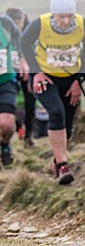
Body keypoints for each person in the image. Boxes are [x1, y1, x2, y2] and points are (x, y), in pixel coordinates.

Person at [21, 0, 85, 184]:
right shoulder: (40, 24)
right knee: (56, 112)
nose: (66, 21)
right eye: (61, 17)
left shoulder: (83, 25)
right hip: (45, 78)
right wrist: (36, 72)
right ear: (53, 14)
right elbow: (24, 43)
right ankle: (63, 166)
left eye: (69, 16)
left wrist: (79, 81)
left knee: (67, 127)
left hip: (70, 79)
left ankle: (56, 160)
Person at [6, 8, 36, 149]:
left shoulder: (30, 31)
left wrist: (32, 76)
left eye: (19, 21)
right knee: (8, 102)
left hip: (27, 70)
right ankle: (17, 128)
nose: (18, 24)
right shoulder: (5, 31)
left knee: (30, 102)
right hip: (10, 70)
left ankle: (28, 135)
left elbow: (35, 54)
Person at [0, 13, 24, 167]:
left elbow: (19, 38)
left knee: (7, 124)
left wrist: (22, 59)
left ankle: (5, 144)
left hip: (6, 82)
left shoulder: (5, 23)